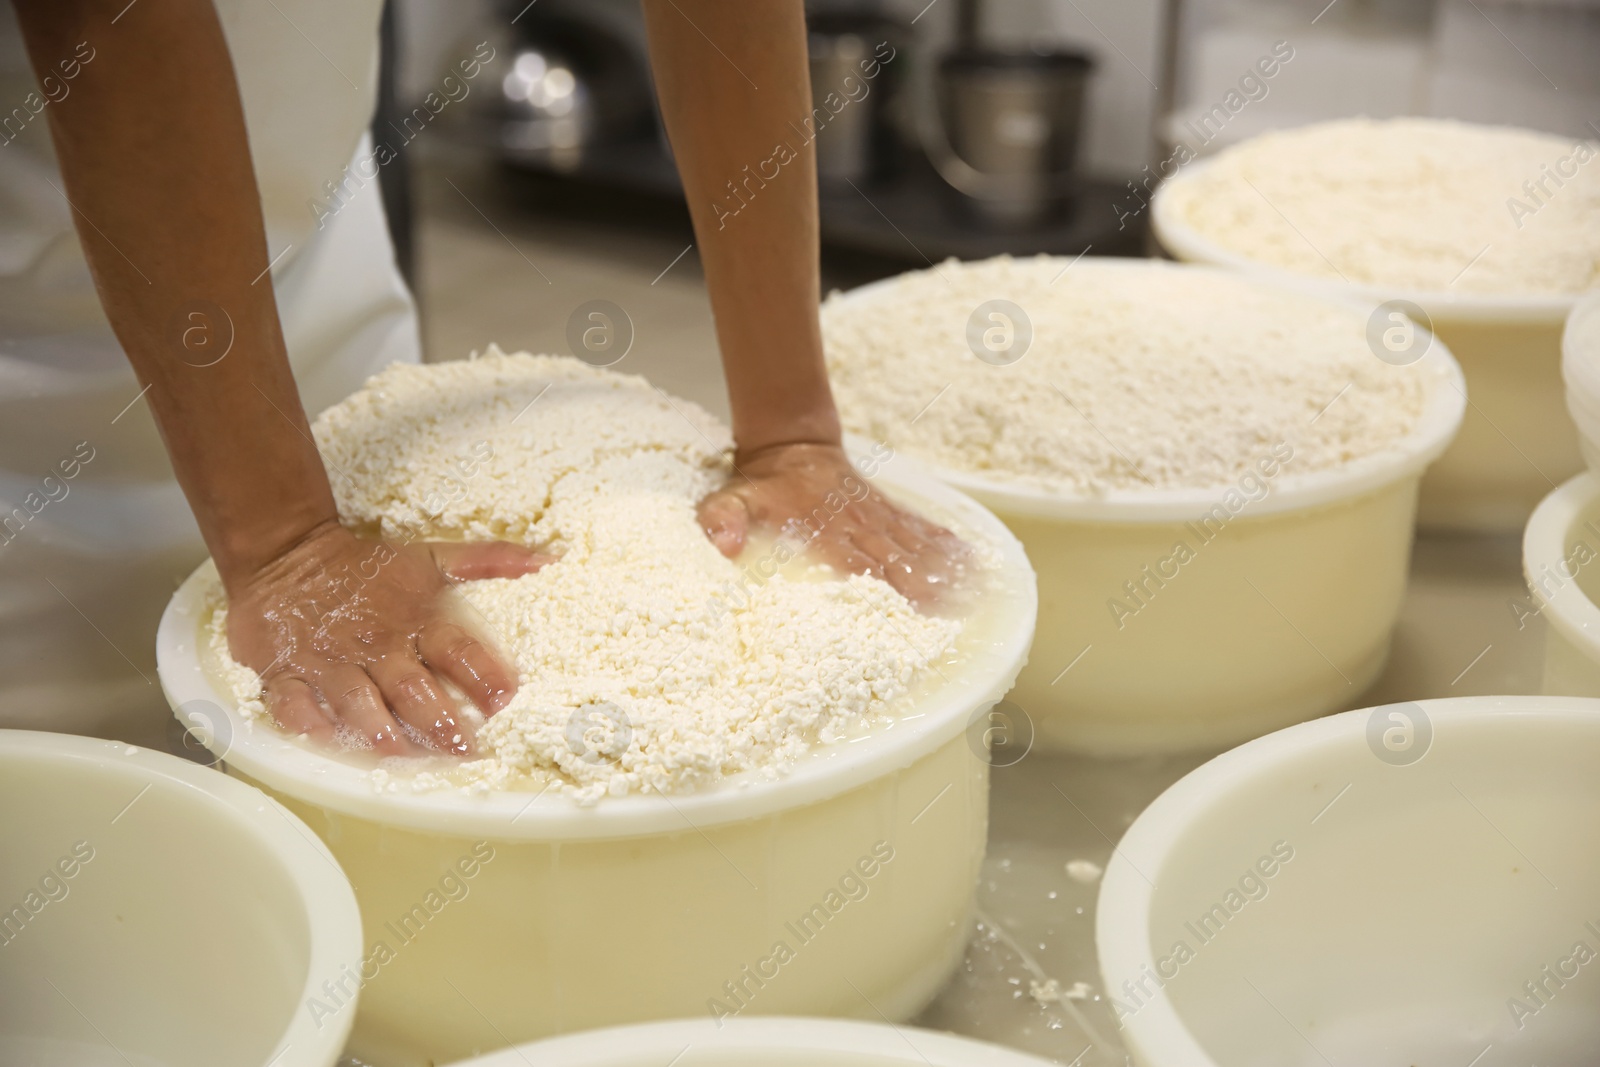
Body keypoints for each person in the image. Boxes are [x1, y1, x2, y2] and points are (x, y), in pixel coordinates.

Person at [4, 0, 961, 755]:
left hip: (311, 251)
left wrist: (790, 423)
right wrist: (281, 540)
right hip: (38, 390)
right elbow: (103, 18)